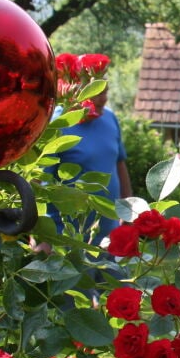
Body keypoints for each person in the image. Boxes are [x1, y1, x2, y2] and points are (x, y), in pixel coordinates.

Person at [48, 85, 132, 247]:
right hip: (67, 239)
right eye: (98, 93)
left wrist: (129, 212)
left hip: (111, 236)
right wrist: (42, 237)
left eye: (106, 91)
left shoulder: (110, 118)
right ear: (76, 91)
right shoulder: (57, 123)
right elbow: (38, 183)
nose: (104, 98)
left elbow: (119, 164)